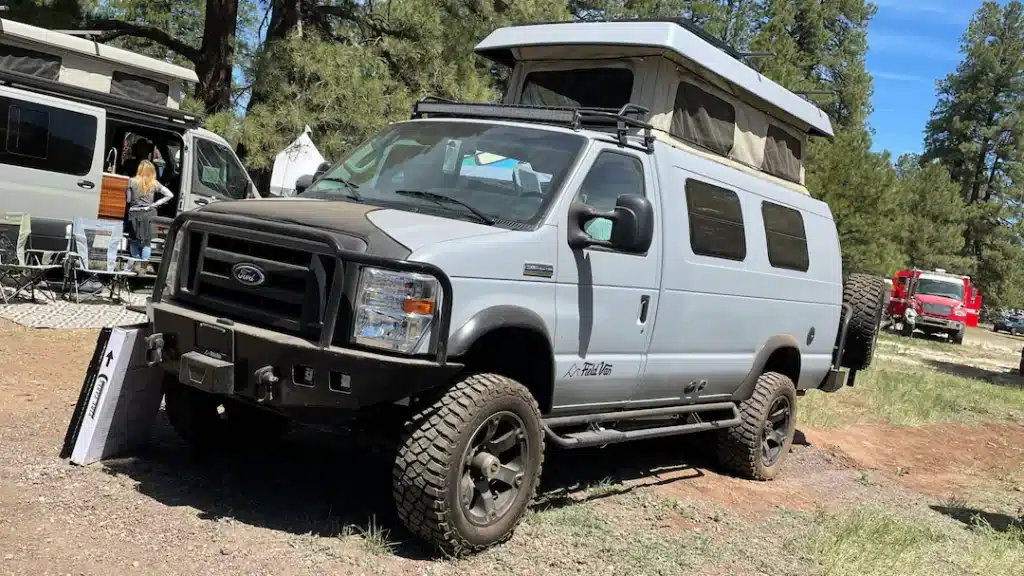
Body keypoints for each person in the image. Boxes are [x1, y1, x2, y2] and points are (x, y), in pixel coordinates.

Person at [125, 160, 174, 272]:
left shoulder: (131, 181)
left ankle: (135, 264)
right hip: (149, 213)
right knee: (147, 242)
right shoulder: (154, 183)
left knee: (133, 240)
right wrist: (155, 204)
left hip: (134, 213)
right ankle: (144, 266)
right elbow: (170, 195)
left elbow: (128, 199)